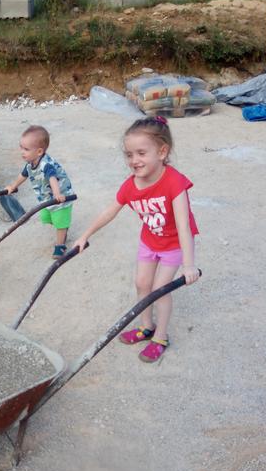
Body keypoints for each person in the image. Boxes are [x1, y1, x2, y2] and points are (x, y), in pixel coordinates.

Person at [74, 116, 200, 363]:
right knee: (142, 283)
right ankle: (146, 327)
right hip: (149, 241)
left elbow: (184, 226)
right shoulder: (130, 186)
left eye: (141, 153)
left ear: (162, 152)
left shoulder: (174, 182)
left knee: (159, 290)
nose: (134, 160)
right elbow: (109, 211)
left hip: (173, 245)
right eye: (129, 154)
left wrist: (188, 265)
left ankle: (160, 337)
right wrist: (85, 235)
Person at [6, 125, 74, 258]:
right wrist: (12, 186)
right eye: (21, 148)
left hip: (61, 197)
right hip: (46, 198)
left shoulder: (46, 165)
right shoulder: (30, 163)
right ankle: (62, 226)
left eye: (26, 149)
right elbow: (23, 175)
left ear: (39, 152)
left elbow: (52, 178)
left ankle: (60, 244)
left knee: (60, 222)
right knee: (46, 217)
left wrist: (57, 194)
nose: (22, 152)